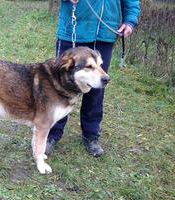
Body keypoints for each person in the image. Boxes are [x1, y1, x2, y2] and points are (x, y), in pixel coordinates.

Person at [46, 0, 141, 156]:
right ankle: (51, 134)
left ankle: (91, 135)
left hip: (105, 33)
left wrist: (130, 21)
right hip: (74, 28)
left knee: (96, 87)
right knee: (60, 86)